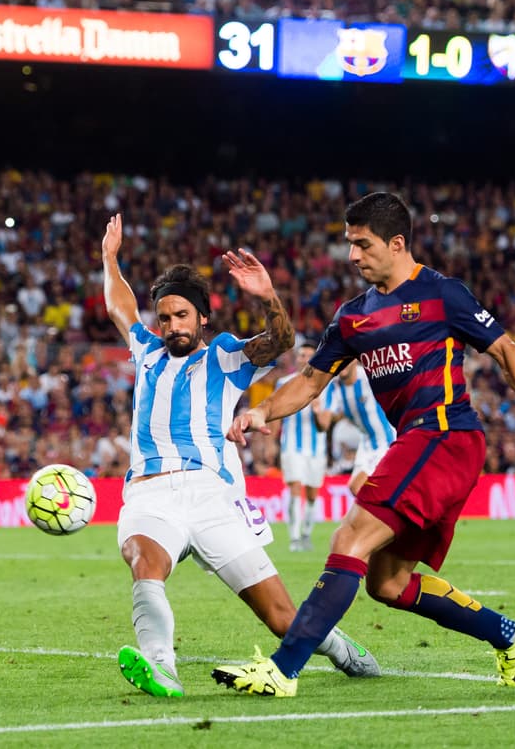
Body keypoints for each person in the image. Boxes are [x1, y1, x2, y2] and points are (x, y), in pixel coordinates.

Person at [213, 192, 515, 697]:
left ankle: (283, 670)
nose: (352, 255)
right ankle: (511, 636)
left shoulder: (442, 293)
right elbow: (309, 380)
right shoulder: (353, 316)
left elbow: (505, 348)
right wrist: (262, 409)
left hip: (444, 435)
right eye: (349, 244)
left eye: (362, 244)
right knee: (386, 584)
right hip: (418, 443)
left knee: (348, 539)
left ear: (396, 243)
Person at [100, 213, 378, 699]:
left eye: (181, 315)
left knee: (280, 617)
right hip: (149, 494)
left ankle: (338, 649)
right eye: (164, 317)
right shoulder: (145, 351)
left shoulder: (224, 357)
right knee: (143, 562)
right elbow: (121, 307)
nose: (171, 326)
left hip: (209, 496)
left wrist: (268, 297)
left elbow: (282, 342)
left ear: (202, 318)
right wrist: (109, 259)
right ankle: (161, 666)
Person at [273, 343, 334, 552]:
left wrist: (317, 411)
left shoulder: (326, 386)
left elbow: (325, 425)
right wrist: (270, 443)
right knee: (295, 488)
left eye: (309, 355)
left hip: (316, 450)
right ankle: (294, 538)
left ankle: (306, 534)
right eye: (301, 355)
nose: (304, 359)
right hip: (290, 446)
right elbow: (275, 416)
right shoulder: (283, 382)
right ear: (296, 358)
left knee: (311, 495)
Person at [325, 359, 397, 497]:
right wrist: (317, 409)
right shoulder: (334, 387)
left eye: (346, 361)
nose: (342, 365)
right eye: (339, 362)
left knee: (358, 486)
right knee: (355, 488)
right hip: (366, 442)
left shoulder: (369, 377)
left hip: (386, 440)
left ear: (354, 361)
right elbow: (324, 423)